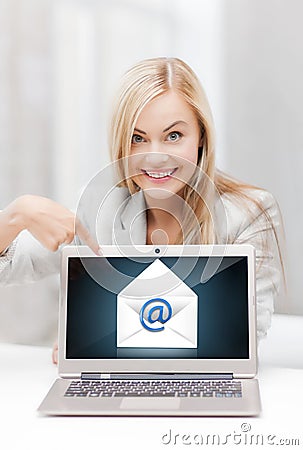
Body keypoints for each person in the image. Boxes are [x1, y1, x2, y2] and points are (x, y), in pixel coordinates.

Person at [0, 57, 284, 363]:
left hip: (201, 390)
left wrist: (98, 341)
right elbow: (9, 266)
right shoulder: (101, 206)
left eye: (173, 136)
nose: (155, 157)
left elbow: (243, 337)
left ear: (201, 135)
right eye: (138, 138)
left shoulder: (250, 214)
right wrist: (17, 215)